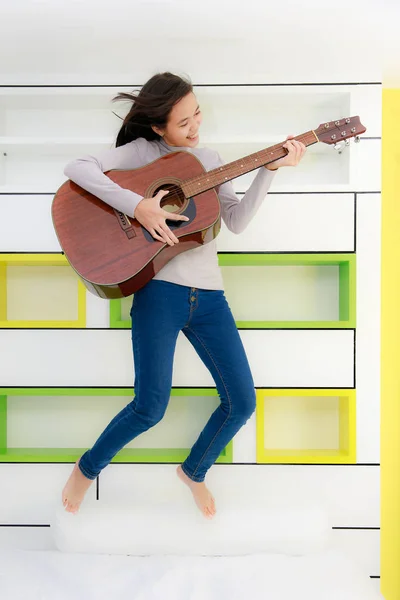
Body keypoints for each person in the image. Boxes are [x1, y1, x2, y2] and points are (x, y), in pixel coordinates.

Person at [61, 71, 306, 519]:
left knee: (243, 402)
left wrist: (268, 171)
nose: (195, 127)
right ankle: (87, 468)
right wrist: (138, 205)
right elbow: (77, 168)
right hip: (159, 293)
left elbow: (234, 221)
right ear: (158, 127)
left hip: (210, 298)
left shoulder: (209, 159)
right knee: (150, 407)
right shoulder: (142, 153)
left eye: (197, 114)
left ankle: (194, 471)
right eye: (183, 122)